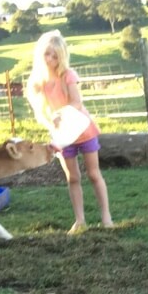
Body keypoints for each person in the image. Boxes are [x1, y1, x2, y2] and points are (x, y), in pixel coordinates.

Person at [27, 30, 113, 234]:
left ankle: (106, 216)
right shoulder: (39, 82)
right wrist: (52, 120)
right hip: (63, 136)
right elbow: (43, 110)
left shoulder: (68, 76)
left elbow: (76, 102)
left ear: (62, 56)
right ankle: (79, 220)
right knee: (72, 177)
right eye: (47, 55)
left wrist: (61, 113)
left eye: (55, 56)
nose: (50, 59)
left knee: (93, 173)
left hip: (82, 129)